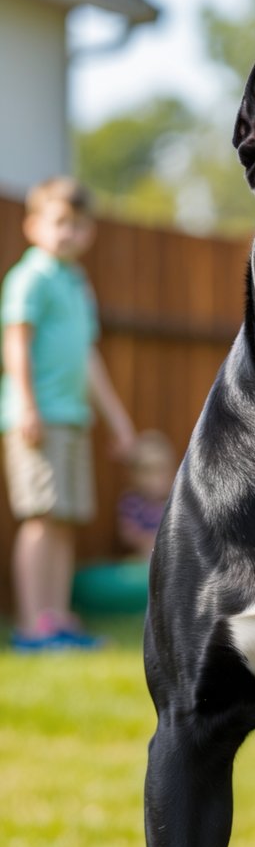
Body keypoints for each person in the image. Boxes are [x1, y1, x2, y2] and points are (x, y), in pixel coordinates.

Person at [1, 177, 136, 650]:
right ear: (33, 226)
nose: (68, 233)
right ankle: (32, 624)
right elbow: (15, 343)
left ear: (89, 232)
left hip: (73, 418)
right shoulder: (30, 277)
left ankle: (55, 621)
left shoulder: (76, 283)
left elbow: (88, 358)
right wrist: (27, 407)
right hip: (37, 418)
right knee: (40, 517)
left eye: (77, 226)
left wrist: (118, 422)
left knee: (63, 520)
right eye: (59, 223)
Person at [117, 429, 175, 559]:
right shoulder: (132, 502)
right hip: (143, 558)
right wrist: (146, 540)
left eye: (160, 470)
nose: (153, 479)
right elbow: (127, 533)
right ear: (133, 474)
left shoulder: (175, 501)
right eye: (146, 470)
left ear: (171, 473)